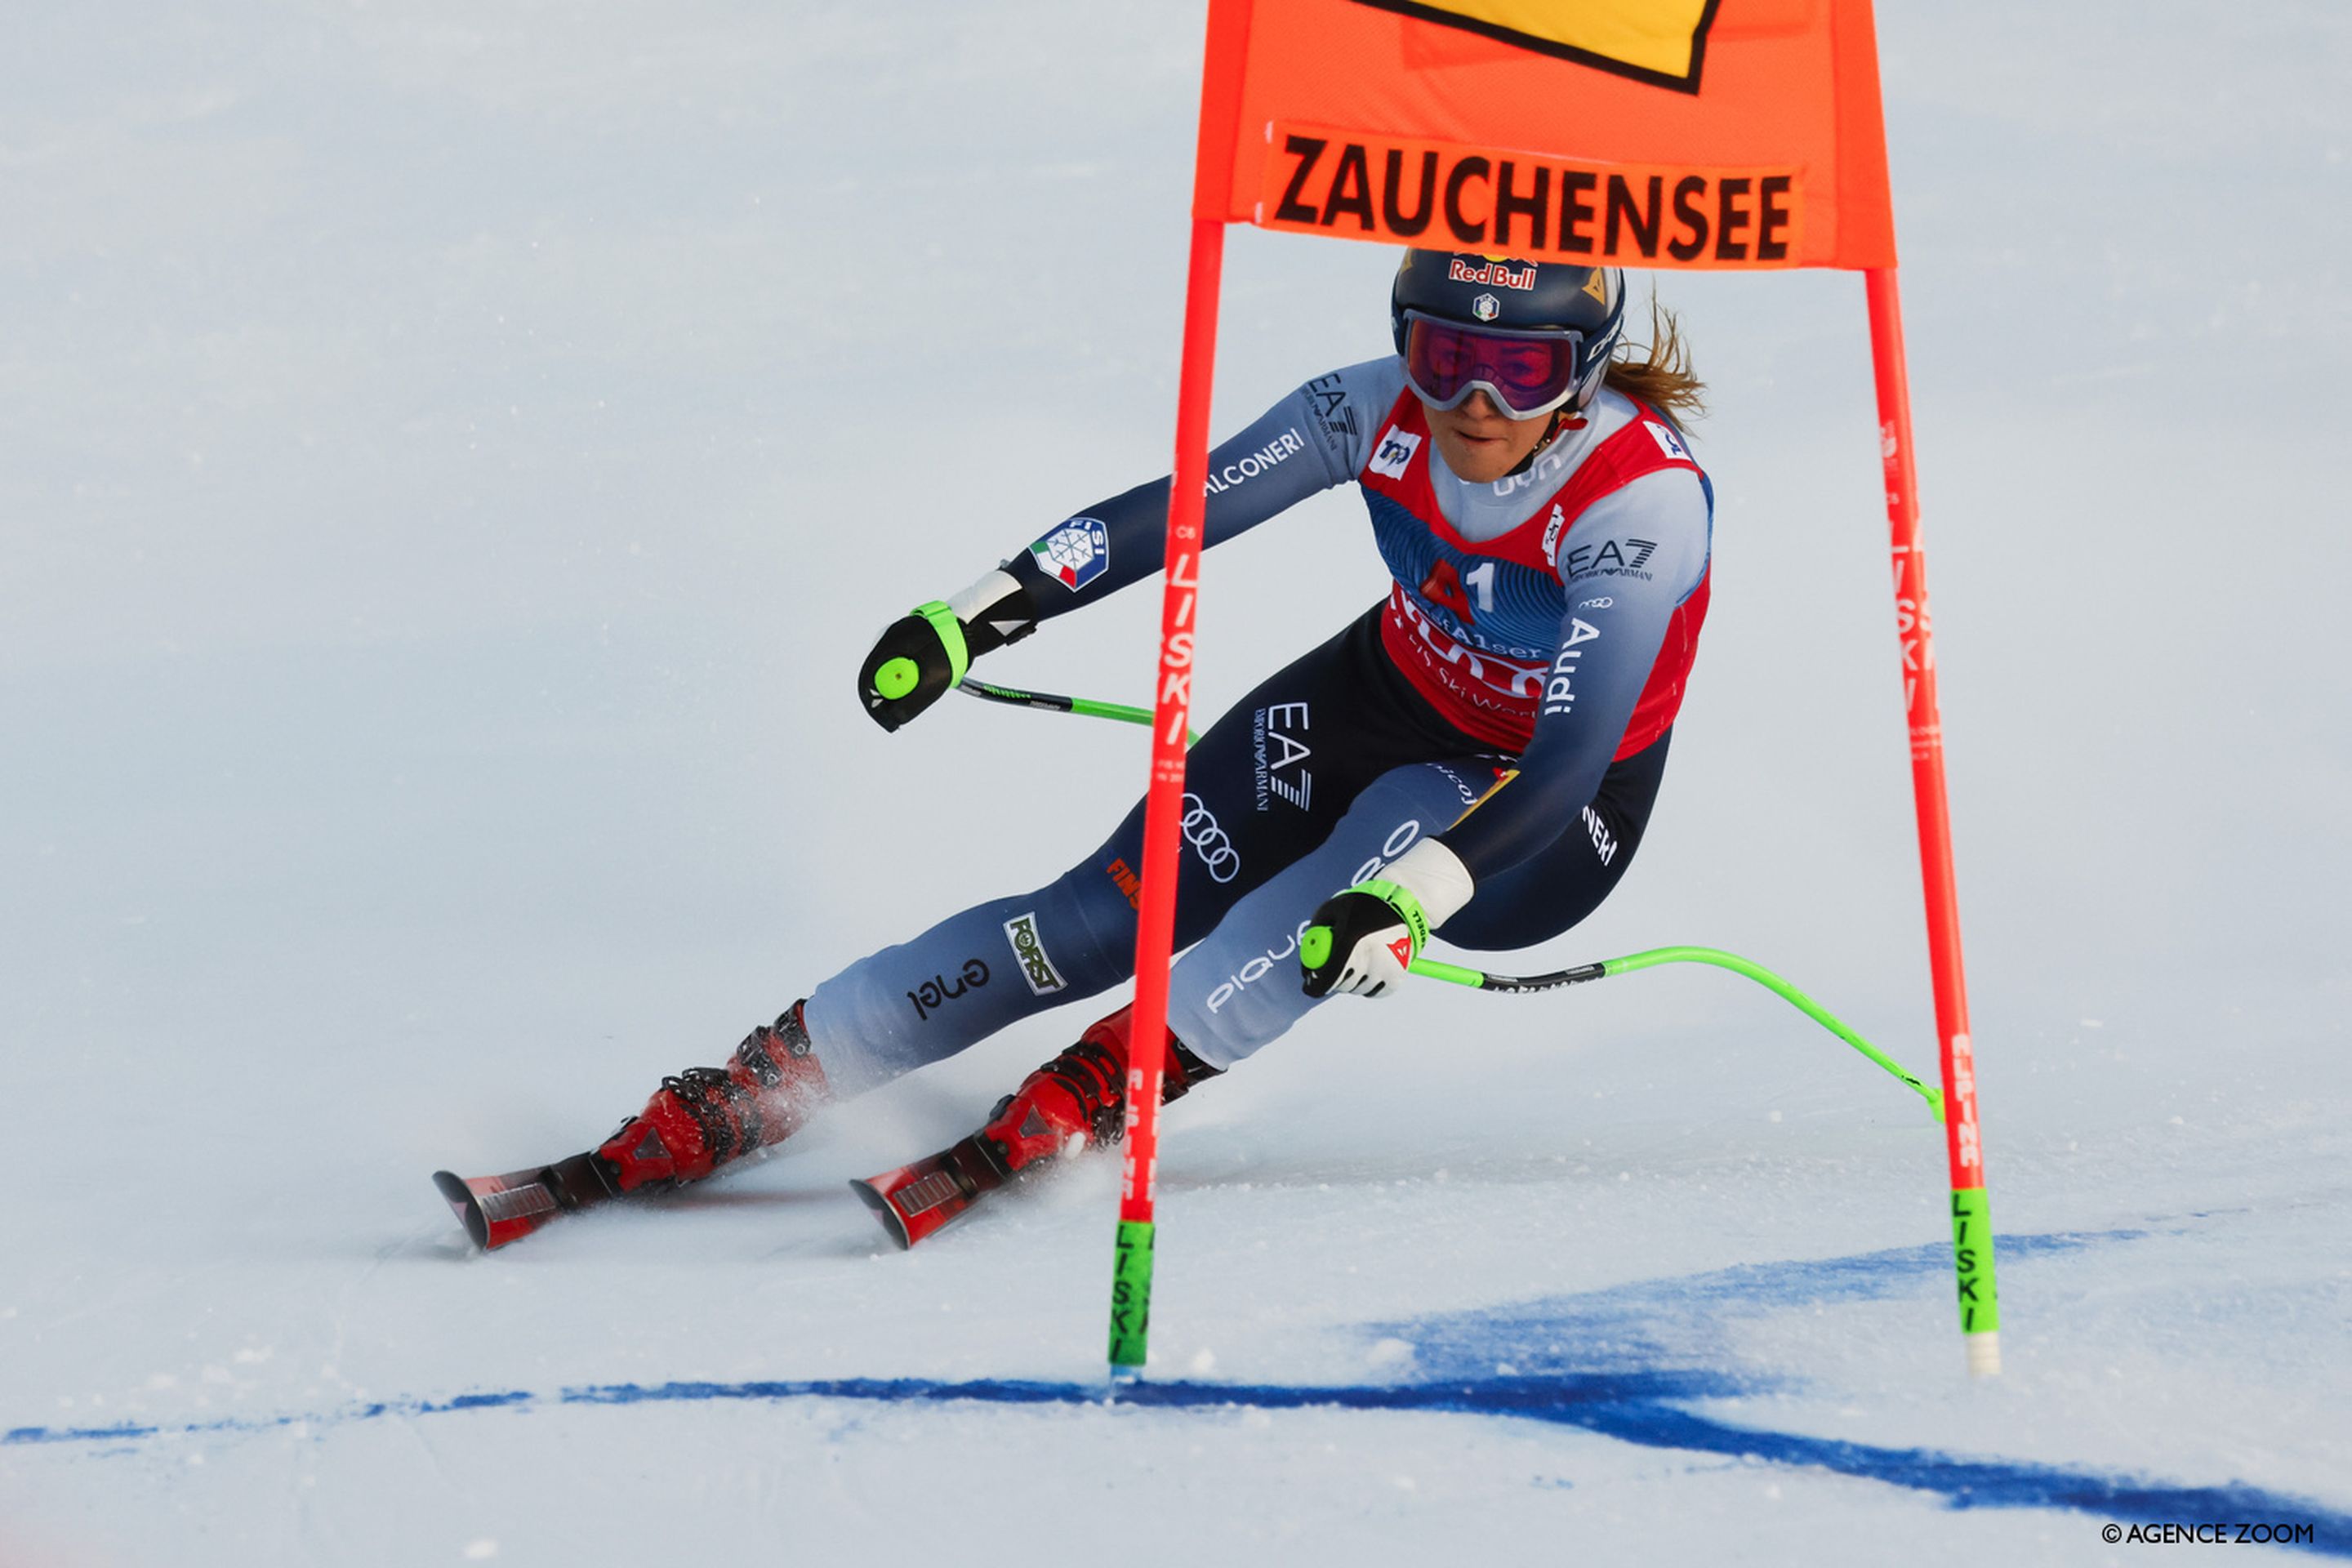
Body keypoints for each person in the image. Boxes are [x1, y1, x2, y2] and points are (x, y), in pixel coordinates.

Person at [435, 248, 1714, 1250]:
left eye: (1524, 375)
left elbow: (1560, 764)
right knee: (1106, 916)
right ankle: (760, 1085)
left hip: (1548, 798)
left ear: (1586, 374)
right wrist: (981, 614)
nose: (1472, 403)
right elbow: (1178, 510)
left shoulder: (1638, 501)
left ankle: (1104, 1084)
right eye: (1441, 357)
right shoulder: (1369, 410)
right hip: (1387, 688)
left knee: (1331, 898)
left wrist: (1421, 893)